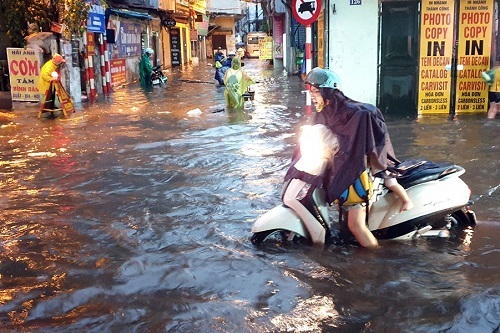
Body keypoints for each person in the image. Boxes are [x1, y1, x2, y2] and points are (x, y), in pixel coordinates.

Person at [302, 67, 413, 248]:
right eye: (311, 92)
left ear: (328, 92)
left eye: (316, 92)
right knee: (346, 221)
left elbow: (362, 145)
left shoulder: (358, 114)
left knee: (356, 225)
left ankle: (373, 260)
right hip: (341, 169)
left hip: (358, 173)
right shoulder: (326, 113)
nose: (313, 96)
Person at [283, 124, 340, 246]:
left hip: (304, 198)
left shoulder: (315, 158)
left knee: (320, 231)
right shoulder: (316, 158)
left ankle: (319, 246)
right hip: (302, 197)